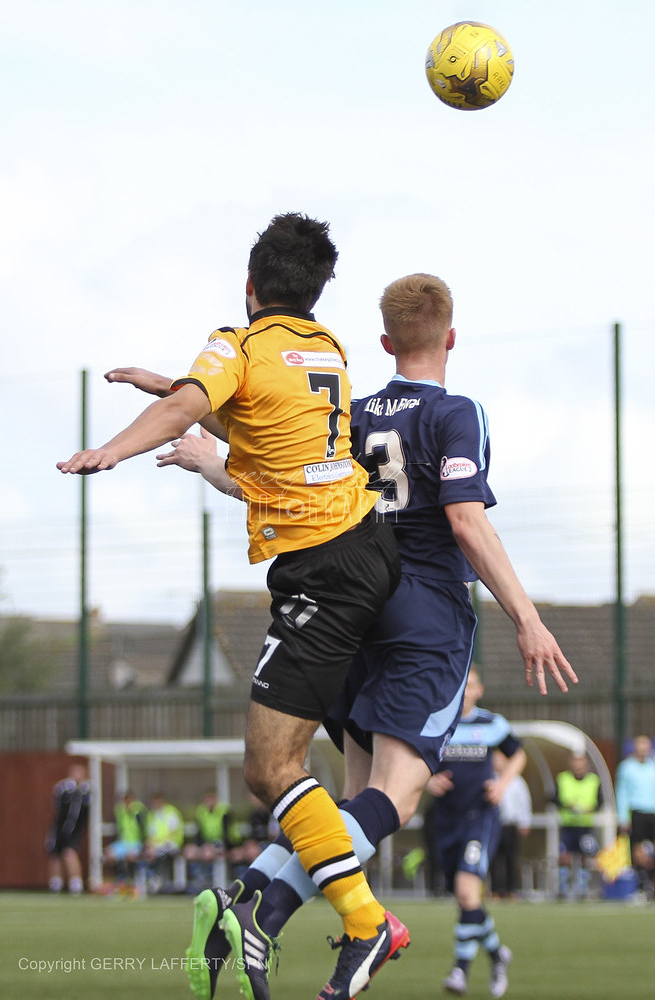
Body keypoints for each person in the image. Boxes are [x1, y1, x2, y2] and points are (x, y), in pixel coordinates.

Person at [132, 272, 577, 1000]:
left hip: (351, 604)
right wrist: (528, 618)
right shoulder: (457, 412)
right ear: (451, 337)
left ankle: (257, 903)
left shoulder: (354, 411)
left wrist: (203, 446)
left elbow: (281, 476)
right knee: (394, 804)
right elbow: (465, 519)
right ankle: (257, 906)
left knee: (348, 806)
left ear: (383, 342)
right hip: (424, 613)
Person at [58, 213, 405, 1000]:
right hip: (366, 551)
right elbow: (258, 423)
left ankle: (358, 919)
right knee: (316, 769)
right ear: (316, 287)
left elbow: (198, 408)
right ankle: (275, 906)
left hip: (324, 572)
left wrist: (117, 445)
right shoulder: (328, 350)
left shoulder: (237, 343)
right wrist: (176, 394)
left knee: (270, 766)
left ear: (249, 287)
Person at [425, 666, 525, 998]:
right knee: (466, 900)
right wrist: (427, 780)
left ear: (479, 691)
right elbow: (413, 760)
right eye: (459, 686)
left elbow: (518, 754)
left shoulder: (492, 724)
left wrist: (503, 783)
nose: (464, 691)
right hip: (445, 820)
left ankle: (460, 972)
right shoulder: (435, 723)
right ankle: (497, 955)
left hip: (480, 818)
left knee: (468, 892)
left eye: (470, 686)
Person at [551, 753, 603, 900]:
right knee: (565, 856)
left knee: (584, 856)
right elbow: (553, 798)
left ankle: (582, 888)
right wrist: (568, 806)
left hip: (585, 825)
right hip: (567, 824)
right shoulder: (563, 779)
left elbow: (600, 802)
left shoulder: (594, 780)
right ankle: (563, 887)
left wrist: (589, 809)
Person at [615, 734, 655, 899]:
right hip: (637, 812)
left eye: (645, 744)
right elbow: (621, 792)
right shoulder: (626, 767)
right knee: (638, 849)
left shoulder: (653, 766)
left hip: (653, 811)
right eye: (639, 744)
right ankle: (641, 885)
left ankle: (651, 885)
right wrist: (623, 816)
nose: (643, 748)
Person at [490, 751, 532, 899]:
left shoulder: (517, 781)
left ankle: (511, 890)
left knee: (511, 858)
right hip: (494, 825)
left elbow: (524, 803)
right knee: (494, 858)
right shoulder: (490, 779)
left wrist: (524, 822)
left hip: (510, 824)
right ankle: (495, 890)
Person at [45, 761, 91, 895]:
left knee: (70, 853)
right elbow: (56, 806)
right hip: (60, 827)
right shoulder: (63, 788)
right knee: (55, 854)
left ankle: (76, 885)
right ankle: (55, 884)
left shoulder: (86, 790)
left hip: (75, 828)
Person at [184, 789, 243, 891]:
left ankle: (212, 883)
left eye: (211, 798)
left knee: (208, 854)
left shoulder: (225, 811)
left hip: (222, 844)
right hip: (207, 844)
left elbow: (228, 834)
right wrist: (200, 846)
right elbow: (199, 834)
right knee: (190, 852)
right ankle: (198, 880)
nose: (209, 801)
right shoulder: (201, 812)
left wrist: (221, 847)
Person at [141, 792, 185, 892]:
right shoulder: (152, 815)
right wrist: (149, 844)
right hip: (157, 846)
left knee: (157, 853)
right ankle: (151, 880)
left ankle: (156, 879)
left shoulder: (172, 813)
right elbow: (150, 834)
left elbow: (173, 833)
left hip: (172, 844)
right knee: (147, 852)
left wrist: (156, 844)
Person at [103, 789, 147, 883]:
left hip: (136, 843)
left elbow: (144, 829)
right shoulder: (120, 811)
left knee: (130, 856)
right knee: (108, 854)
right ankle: (120, 878)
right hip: (124, 843)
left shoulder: (139, 812)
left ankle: (132, 879)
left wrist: (144, 845)